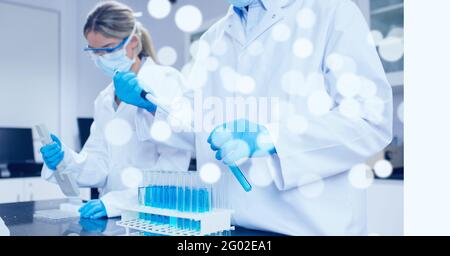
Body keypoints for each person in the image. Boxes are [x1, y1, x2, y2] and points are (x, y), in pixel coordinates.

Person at [119, 0, 393, 235]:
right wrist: (148, 103)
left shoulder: (331, 11)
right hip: (230, 226)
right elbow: (197, 122)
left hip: (310, 227)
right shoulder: (212, 38)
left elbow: (370, 120)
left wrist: (271, 139)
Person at [39, 1, 191, 219]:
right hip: (111, 216)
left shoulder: (166, 80)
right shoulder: (104, 98)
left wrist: (118, 204)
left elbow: (173, 167)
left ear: (133, 43)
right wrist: (65, 160)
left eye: (107, 49)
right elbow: (99, 163)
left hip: (154, 214)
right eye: (94, 51)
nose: (101, 58)